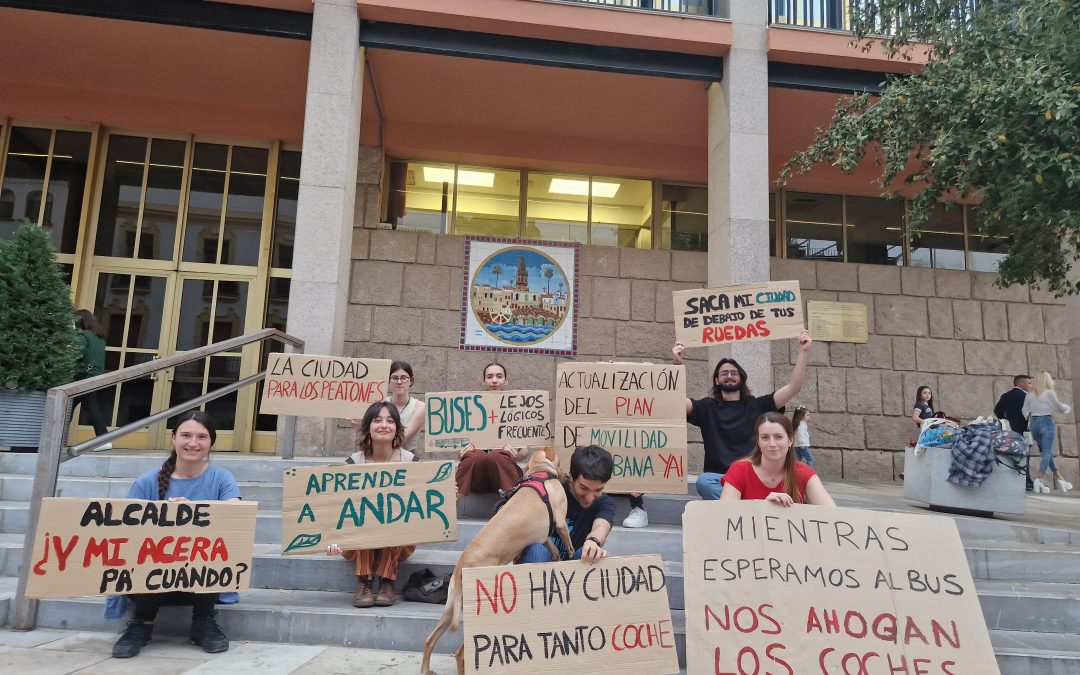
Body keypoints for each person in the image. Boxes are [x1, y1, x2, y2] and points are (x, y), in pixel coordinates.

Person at [111, 411, 239, 659]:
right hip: (149, 580)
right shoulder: (147, 481)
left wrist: (192, 512)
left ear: (211, 442)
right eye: (186, 435)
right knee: (148, 551)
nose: (193, 443)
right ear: (173, 438)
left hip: (202, 580)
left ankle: (203, 622)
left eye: (202, 437)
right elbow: (124, 532)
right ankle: (142, 623)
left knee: (211, 547)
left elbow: (235, 516)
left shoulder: (222, 478)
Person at [670, 329, 812, 500]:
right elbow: (676, 400)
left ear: (741, 378)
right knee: (704, 482)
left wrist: (803, 352)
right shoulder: (707, 407)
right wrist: (676, 365)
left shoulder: (757, 405)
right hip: (720, 478)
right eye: (724, 373)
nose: (729, 376)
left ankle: (739, 505)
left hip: (753, 477)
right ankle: (749, 505)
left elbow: (793, 388)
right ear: (717, 380)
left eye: (733, 373)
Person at [329, 401, 418, 607]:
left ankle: (387, 580)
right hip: (355, 544)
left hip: (399, 542)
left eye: (390, 420)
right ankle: (364, 580)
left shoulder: (411, 461)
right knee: (366, 517)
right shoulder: (352, 464)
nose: (384, 425)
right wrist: (330, 538)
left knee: (390, 517)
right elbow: (333, 508)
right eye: (377, 420)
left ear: (397, 428)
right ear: (367, 427)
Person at [520, 444, 615, 564]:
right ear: (571, 478)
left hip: (572, 569)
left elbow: (601, 526)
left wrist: (593, 541)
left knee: (590, 553)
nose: (590, 498)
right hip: (539, 561)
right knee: (537, 550)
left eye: (598, 490)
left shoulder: (605, 503)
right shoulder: (548, 488)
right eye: (583, 488)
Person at [719, 412, 835, 507]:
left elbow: (832, 516)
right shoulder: (739, 470)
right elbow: (725, 516)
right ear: (758, 442)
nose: (772, 444)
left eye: (778, 437)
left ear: (790, 440)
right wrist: (764, 507)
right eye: (765, 437)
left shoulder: (804, 473)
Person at [455, 363, 526, 496]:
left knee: (496, 455)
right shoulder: (470, 409)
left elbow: (525, 451)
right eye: (489, 377)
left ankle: (514, 499)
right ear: (484, 382)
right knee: (476, 455)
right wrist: (461, 454)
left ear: (506, 381)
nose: (494, 380)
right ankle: (453, 500)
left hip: (504, 473)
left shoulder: (517, 409)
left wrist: (516, 455)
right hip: (476, 477)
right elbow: (459, 451)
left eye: (499, 376)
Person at [350, 360, 425, 455]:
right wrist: (362, 427)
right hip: (377, 456)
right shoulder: (379, 404)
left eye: (404, 378)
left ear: (411, 380)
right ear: (388, 381)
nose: (399, 382)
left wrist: (366, 429)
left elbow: (402, 439)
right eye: (394, 378)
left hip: (406, 457)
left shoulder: (420, 407)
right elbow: (367, 437)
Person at [1022, 372, 1073, 494]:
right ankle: (1039, 479)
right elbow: (1059, 408)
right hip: (1047, 422)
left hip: (1034, 424)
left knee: (1046, 452)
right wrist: (1067, 408)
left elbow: (1024, 411)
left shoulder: (1029, 395)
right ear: (1047, 381)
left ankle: (1060, 478)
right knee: (1047, 452)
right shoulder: (1049, 393)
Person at [72, 309, 111, 448]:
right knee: (70, 409)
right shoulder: (99, 337)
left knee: (91, 409)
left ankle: (104, 441)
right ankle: (104, 440)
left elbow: (77, 354)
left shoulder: (83, 335)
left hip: (83, 377)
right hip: (95, 376)